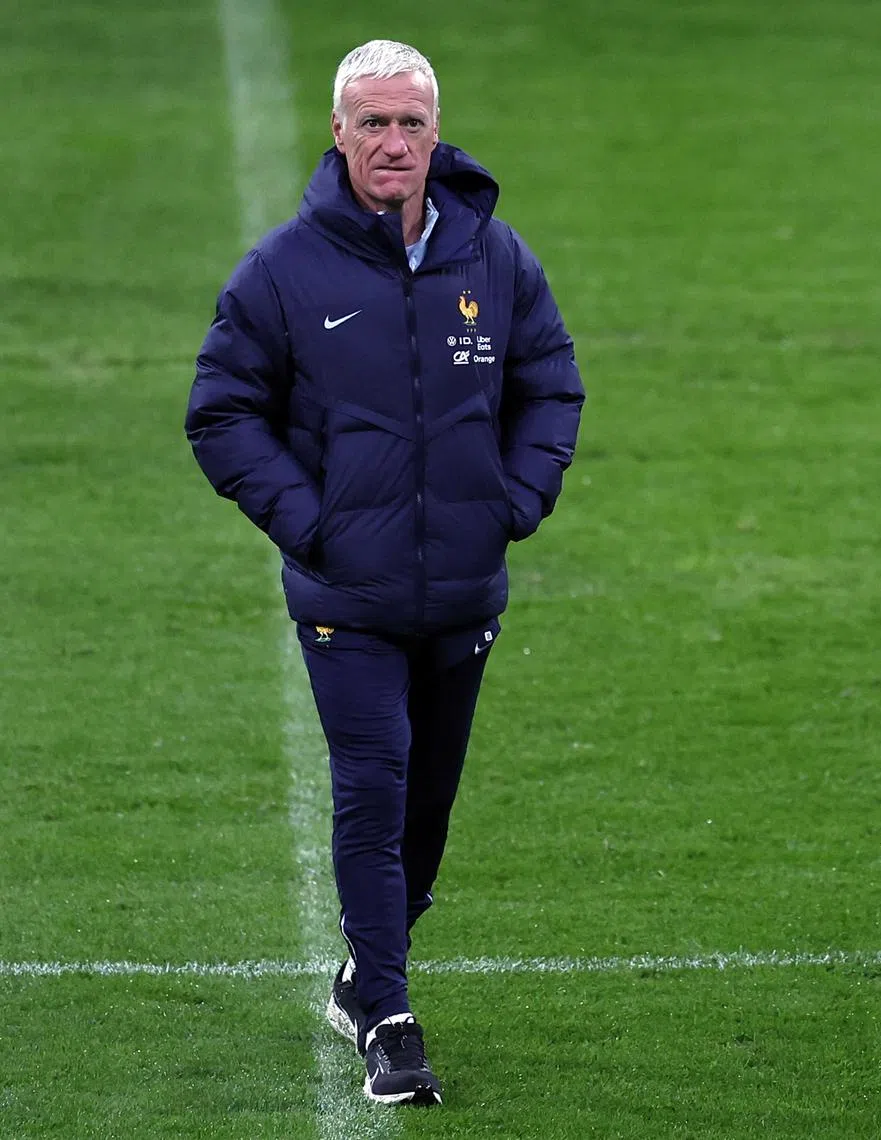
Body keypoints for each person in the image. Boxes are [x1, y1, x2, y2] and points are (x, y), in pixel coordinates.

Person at [186, 38, 584, 1106]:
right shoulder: (283, 272)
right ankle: (392, 1023)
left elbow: (550, 382)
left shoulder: (495, 258)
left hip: (463, 590)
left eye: (411, 122)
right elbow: (221, 413)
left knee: (427, 818)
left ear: (436, 132)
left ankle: (364, 975)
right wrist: (311, 526)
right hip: (347, 600)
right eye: (374, 123)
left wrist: (514, 502)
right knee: (375, 786)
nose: (394, 142)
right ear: (339, 133)